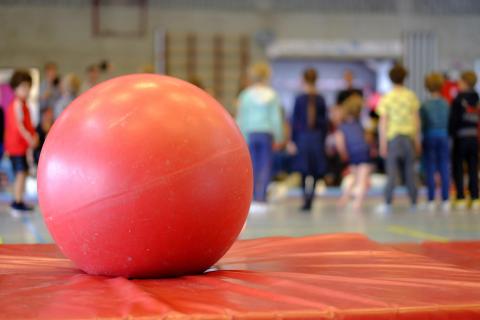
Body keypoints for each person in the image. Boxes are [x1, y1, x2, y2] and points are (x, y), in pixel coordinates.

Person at [236, 62, 283, 212]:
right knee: (265, 165)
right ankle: (261, 197)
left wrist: (240, 138)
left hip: (250, 132)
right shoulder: (272, 95)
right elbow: (276, 118)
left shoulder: (246, 95)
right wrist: (279, 136)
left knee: (252, 166)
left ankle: (253, 198)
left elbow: (241, 118)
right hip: (266, 133)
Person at [377, 64, 421, 213]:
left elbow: (383, 122)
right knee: (410, 172)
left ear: (390, 79)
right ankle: (414, 201)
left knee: (392, 172)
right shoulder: (411, 96)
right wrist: (417, 140)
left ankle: (387, 202)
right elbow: (416, 120)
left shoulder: (387, 98)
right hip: (408, 138)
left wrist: (382, 144)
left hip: (393, 139)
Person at [290, 68, 328, 211]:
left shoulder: (300, 99)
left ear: (303, 80)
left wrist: (293, 141)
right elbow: (325, 123)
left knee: (304, 170)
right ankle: (310, 197)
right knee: (315, 170)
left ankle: (306, 198)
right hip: (316, 137)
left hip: (303, 137)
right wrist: (323, 139)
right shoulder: (320, 99)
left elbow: (295, 122)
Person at [5, 70, 38, 212]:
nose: (26, 90)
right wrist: (30, 139)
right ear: (15, 88)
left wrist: (33, 136)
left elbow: (28, 124)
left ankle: (19, 199)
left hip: (21, 146)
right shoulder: (17, 103)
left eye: (28, 87)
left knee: (22, 173)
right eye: (22, 87)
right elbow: (19, 125)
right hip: (16, 146)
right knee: (20, 173)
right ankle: (17, 201)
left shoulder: (24, 104)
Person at [449, 71, 480, 210]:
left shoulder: (458, 99)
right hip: (474, 137)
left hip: (460, 138)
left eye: (460, 82)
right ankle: (475, 197)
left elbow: (453, 120)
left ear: (465, 83)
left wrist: (451, 133)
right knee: (473, 168)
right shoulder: (477, 98)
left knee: (459, 167)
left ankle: (461, 196)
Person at [420, 72, 450, 211]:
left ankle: (431, 199)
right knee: (444, 167)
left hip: (429, 137)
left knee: (430, 168)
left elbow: (423, 124)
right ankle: (446, 199)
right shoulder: (446, 104)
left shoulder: (425, 105)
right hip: (444, 137)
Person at [336, 95, 371, 210]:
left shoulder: (343, 126)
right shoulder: (360, 124)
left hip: (353, 154)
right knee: (361, 179)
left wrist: (343, 153)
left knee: (353, 177)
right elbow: (367, 139)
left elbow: (339, 142)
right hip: (363, 153)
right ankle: (357, 203)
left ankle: (345, 197)